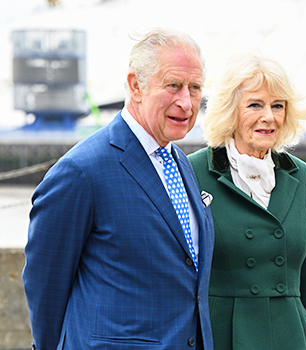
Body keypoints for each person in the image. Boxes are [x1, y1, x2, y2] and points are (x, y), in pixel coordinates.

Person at [22, 28, 215, 349]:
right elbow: (45, 286)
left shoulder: (180, 162)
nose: (186, 102)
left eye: (195, 88)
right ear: (135, 85)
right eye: (173, 86)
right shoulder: (81, 171)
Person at [188, 52, 306, 350]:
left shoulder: (300, 174)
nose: (269, 116)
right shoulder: (192, 171)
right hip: (224, 336)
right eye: (255, 105)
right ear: (230, 111)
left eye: (277, 106)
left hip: (292, 335)